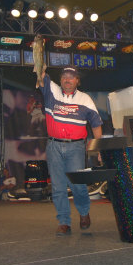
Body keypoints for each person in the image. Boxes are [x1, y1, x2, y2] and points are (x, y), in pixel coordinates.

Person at [37, 66, 103, 235]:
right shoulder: (51, 91)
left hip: (76, 147)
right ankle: (64, 222)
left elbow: (96, 125)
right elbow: (41, 74)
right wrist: (40, 65)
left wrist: (100, 149)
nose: (67, 80)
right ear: (60, 80)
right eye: (64, 76)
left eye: (71, 77)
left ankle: (84, 212)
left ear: (77, 81)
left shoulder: (85, 99)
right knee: (58, 186)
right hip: (54, 146)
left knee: (77, 185)